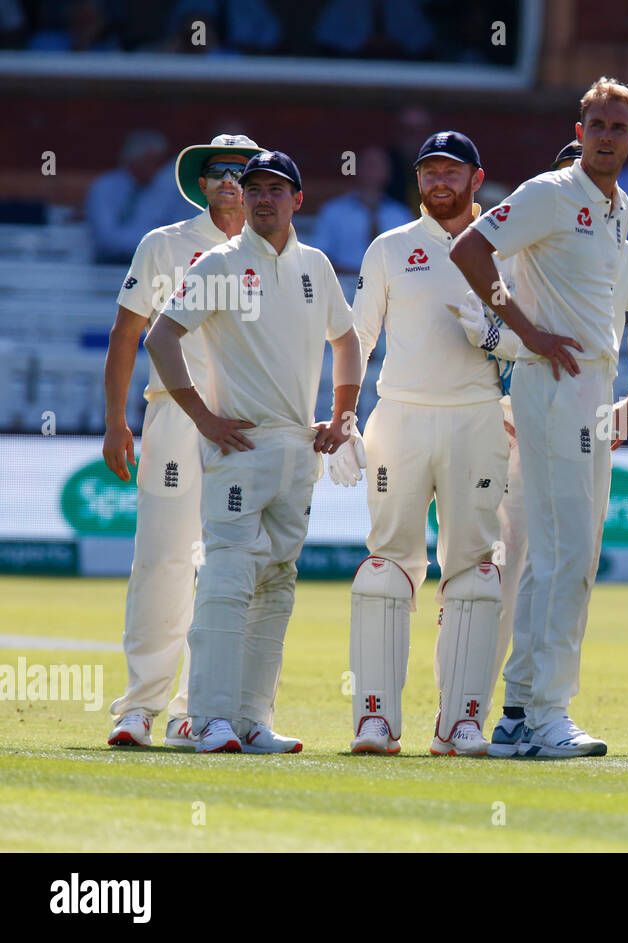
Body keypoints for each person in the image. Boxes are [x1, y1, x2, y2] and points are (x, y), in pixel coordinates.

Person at [449, 78, 628, 757]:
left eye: (618, 128)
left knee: (571, 553)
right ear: (579, 130)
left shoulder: (619, 208)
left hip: (594, 391)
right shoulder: (551, 192)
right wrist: (527, 331)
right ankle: (547, 712)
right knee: (560, 551)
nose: (606, 136)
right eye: (596, 125)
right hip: (551, 384)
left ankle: (521, 710)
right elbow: (469, 250)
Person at [144, 150, 362, 754]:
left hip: (299, 448)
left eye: (275, 189)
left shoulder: (316, 266)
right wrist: (201, 416)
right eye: (254, 188)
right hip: (240, 444)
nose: (262, 198)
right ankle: (207, 719)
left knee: (277, 583)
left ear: (298, 200)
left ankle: (250, 719)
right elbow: (161, 337)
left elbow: (346, 340)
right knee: (228, 575)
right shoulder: (219, 262)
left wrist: (344, 416)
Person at [335, 131, 510, 757]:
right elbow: (354, 335)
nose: (439, 182)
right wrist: (342, 417)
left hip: (478, 418)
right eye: (429, 171)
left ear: (475, 178)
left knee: (476, 571)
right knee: (385, 569)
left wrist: (491, 334)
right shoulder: (390, 248)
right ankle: (375, 719)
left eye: (451, 172)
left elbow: (532, 341)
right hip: (401, 416)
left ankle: (461, 722)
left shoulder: (504, 243)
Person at [104, 133, 263, 749]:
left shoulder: (279, 253)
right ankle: (140, 707)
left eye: (243, 172)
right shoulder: (165, 244)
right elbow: (127, 333)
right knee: (164, 559)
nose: (231, 180)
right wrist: (116, 422)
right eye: (220, 171)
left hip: (248, 426)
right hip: (173, 416)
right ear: (202, 182)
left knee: (230, 567)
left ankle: (201, 709)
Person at [85, 129, 193, 265]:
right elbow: (106, 238)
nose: (157, 168)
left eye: (159, 163)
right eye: (151, 161)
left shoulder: (165, 188)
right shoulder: (105, 186)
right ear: (133, 159)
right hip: (111, 262)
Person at [310, 146, 411, 274]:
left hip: (389, 288)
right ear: (356, 168)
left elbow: (409, 259)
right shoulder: (333, 211)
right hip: (342, 285)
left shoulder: (400, 215)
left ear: (388, 172)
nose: (371, 170)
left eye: (377, 165)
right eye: (367, 164)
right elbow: (318, 256)